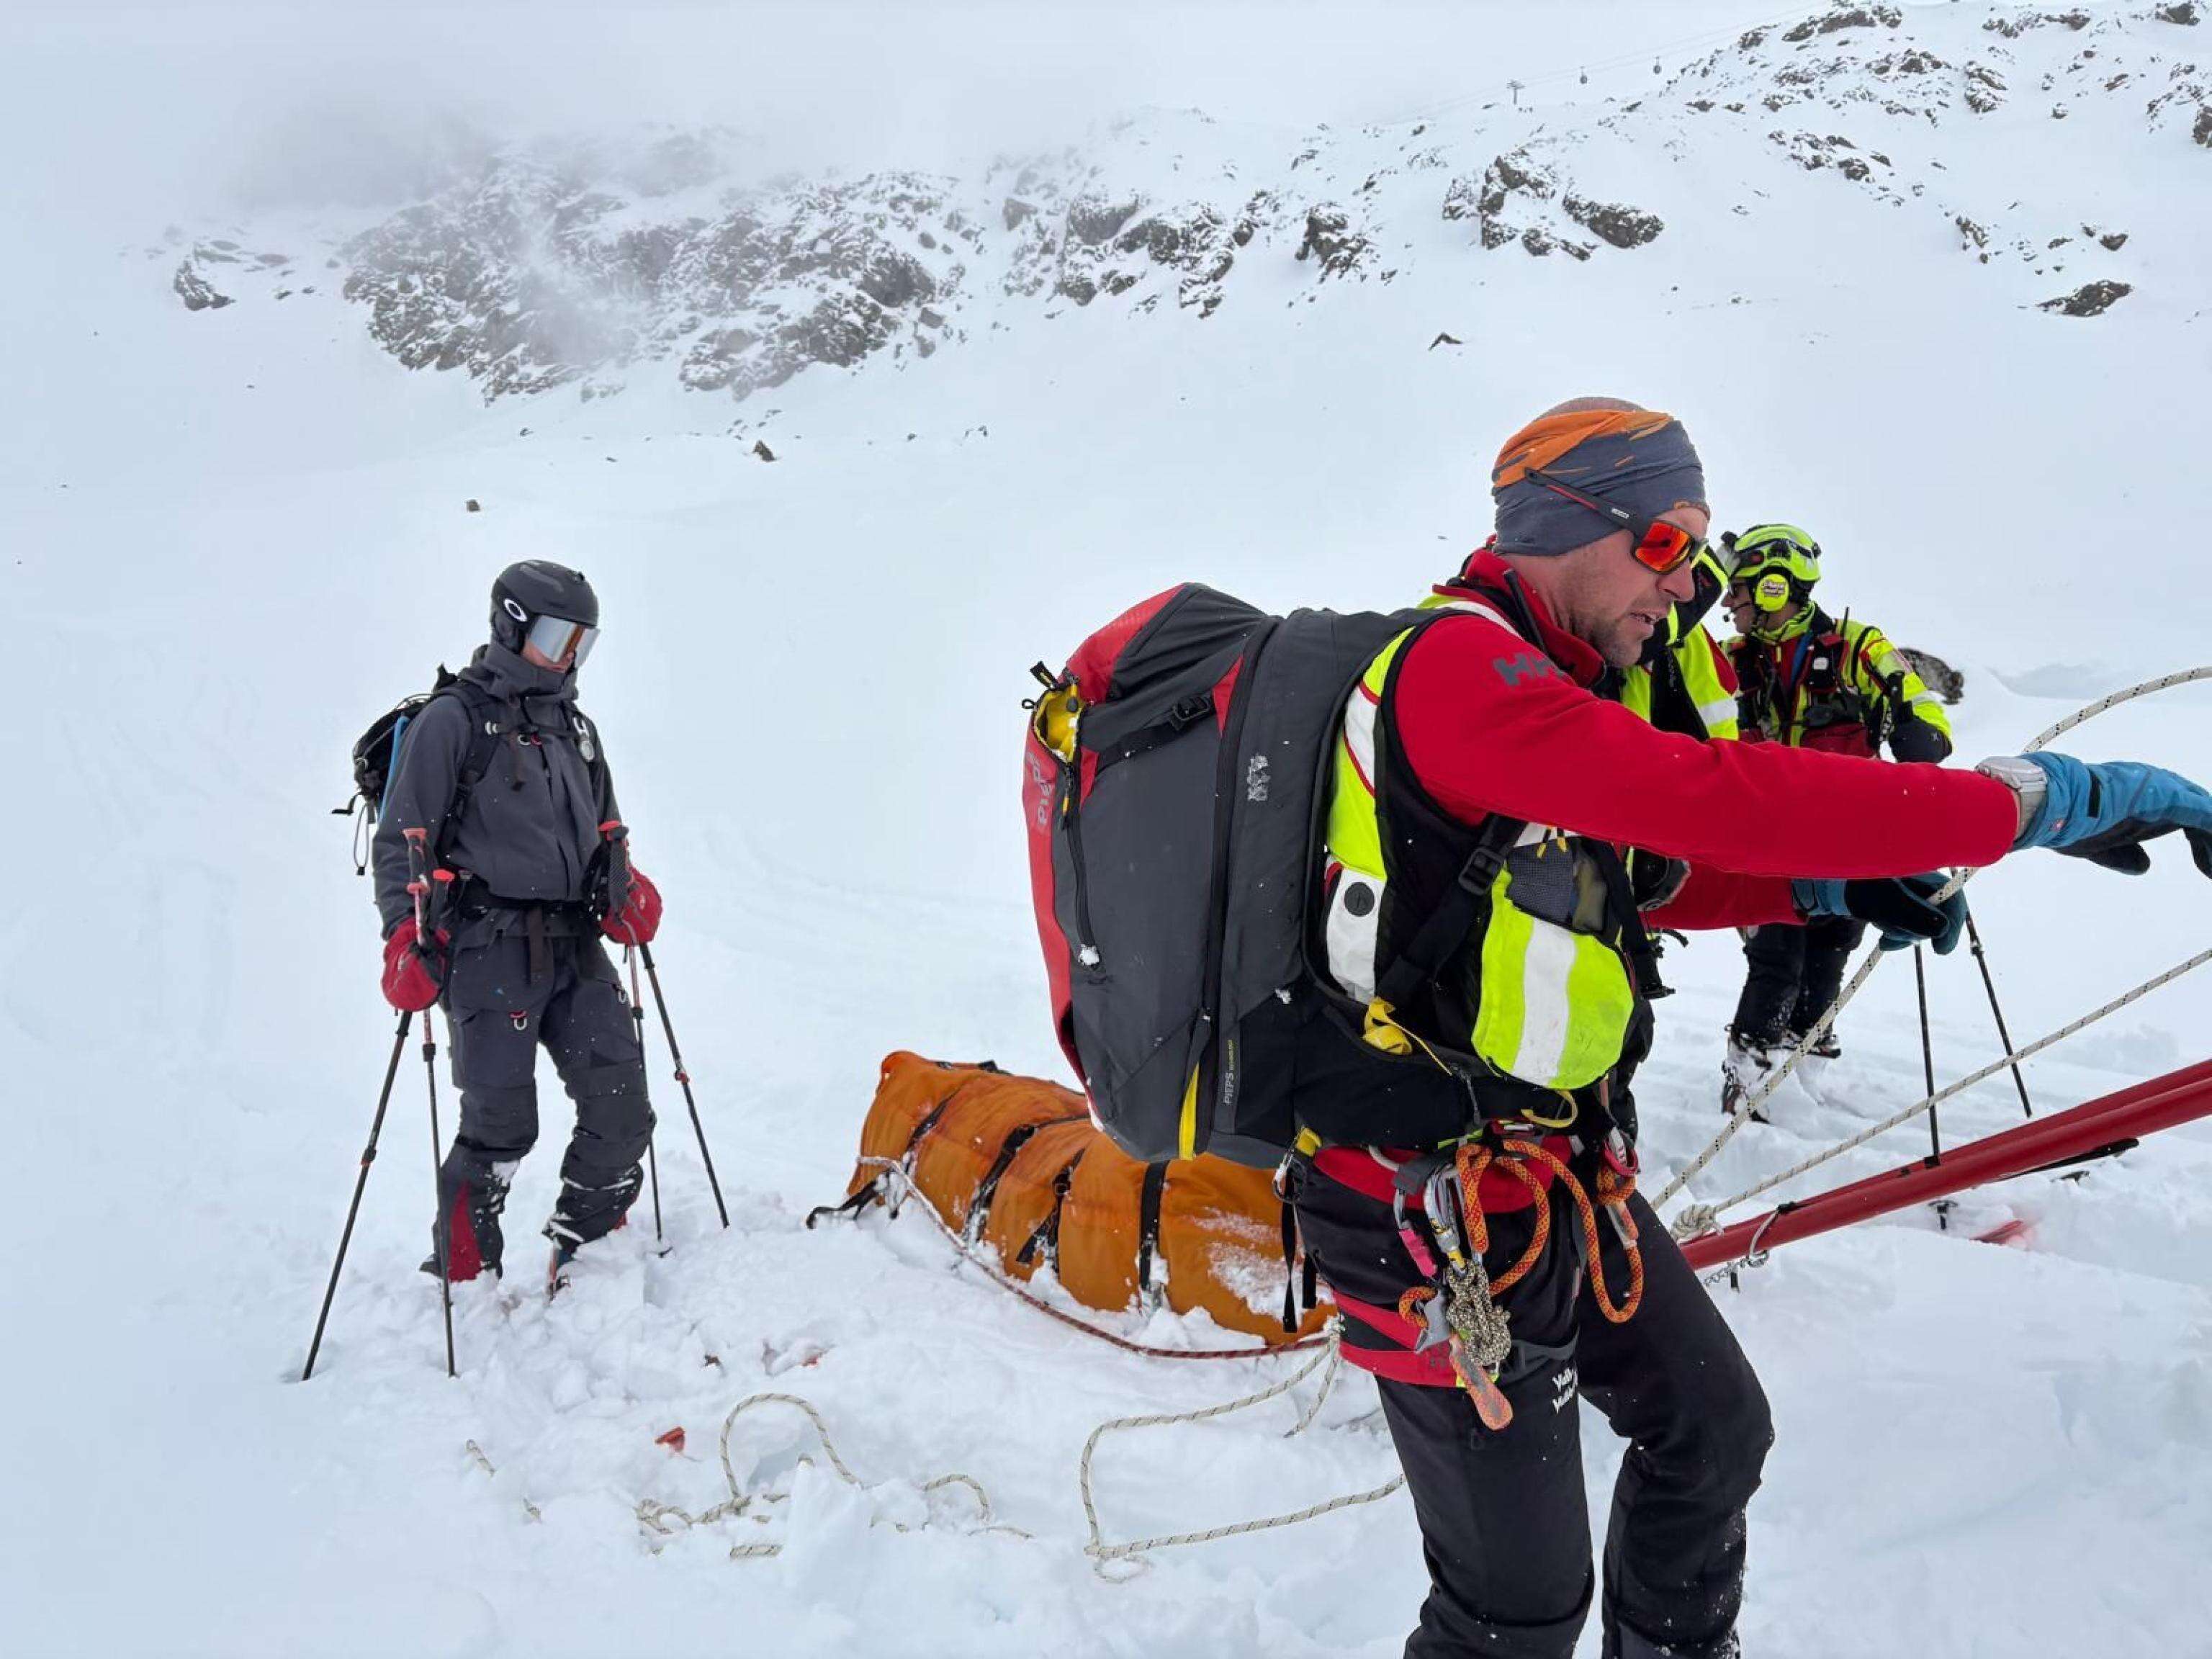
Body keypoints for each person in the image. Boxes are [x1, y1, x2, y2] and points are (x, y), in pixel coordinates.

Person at [1289, 398, 2212, 1659]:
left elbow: (1648, 871)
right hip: (1417, 1204)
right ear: (1570, 523)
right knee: (1512, 1612)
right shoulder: (1462, 666)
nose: (1682, 590)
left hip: (1552, 1174)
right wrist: (2030, 803)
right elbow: (1710, 796)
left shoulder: (1554, 682)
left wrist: (1832, 888)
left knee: (1713, 1431)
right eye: (1667, 542)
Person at [373, 560, 664, 1288]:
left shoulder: (576, 730)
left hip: (574, 943)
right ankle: (465, 1268)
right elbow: (401, 840)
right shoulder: (455, 722)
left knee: (622, 1105)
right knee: (501, 1126)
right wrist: (402, 936)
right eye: (559, 636)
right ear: (512, 624)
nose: (569, 656)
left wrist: (627, 887)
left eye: (582, 642)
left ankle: (589, 1248)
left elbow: (605, 829)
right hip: (486, 947)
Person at [1718, 525, 1955, 1112]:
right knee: (1777, 950)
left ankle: (1807, 1053)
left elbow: (1923, 709)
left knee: (1832, 949)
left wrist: (1919, 730)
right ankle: (1750, 1067)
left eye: (1739, 591)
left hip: (1848, 837)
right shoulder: (1729, 661)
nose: (1729, 604)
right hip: (1768, 837)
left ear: (1776, 587)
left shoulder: (1857, 647)